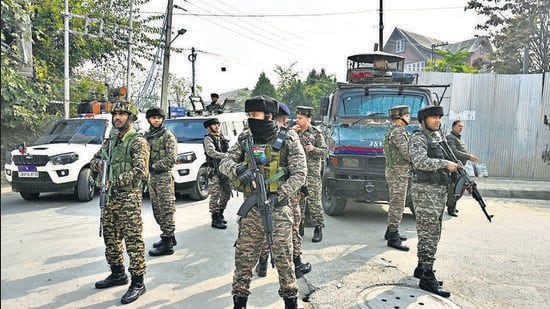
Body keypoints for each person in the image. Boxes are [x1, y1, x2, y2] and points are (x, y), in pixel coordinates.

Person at [219, 95, 306, 309]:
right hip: (252, 209)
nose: (251, 119)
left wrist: (281, 194)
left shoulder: (288, 138)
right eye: (249, 115)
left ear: (269, 116)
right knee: (243, 259)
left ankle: (290, 301)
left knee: (285, 260)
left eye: (255, 115)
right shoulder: (245, 138)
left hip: (278, 209)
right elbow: (224, 162)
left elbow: (299, 173)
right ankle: (239, 302)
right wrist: (238, 169)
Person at [90, 100, 149, 304]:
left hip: (128, 198)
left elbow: (141, 171)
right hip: (110, 197)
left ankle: (138, 282)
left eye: (122, 114)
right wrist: (98, 165)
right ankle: (117, 274)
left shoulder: (137, 141)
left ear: (131, 118)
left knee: (133, 240)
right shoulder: (111, 141)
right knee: (111, 237)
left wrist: (113, 181)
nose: (117, 117)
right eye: (115, 114)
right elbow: (93, 160)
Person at [254, 102, 312, 279]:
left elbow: (259, 163)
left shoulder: (258, 136)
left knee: (266, 226)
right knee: (292, 227)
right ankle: (297, 263)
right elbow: (299, 171)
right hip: (288, 193)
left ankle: (262, 264)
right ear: (285, 118)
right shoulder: (289, 135)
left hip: (264, 192)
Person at [409, 105, 461, 298]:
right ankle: (427, 277)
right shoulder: (418, 138)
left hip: (438, 192)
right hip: (425, 192)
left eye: (439, 117)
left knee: (433, 231)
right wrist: (445, 165)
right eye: (433, 118)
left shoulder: (437, 138)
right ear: (423, 121)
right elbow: (420, 162)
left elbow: (448, 158)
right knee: (429, 234)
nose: (437, 121)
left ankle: (422, 268)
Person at [145, 107, 178, 256]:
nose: (156, 120)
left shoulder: (168, 136)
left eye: (159, 118)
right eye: (153, 118)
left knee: (166, 209)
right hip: (152, 178)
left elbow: (172, 158)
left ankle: (168, 244)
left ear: (162, 119)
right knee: (157, 210)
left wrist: (153, 166)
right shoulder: (147, 136)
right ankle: (169, 236)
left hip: (164, 177)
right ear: (149, 120)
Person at [292, 106, 328, 243]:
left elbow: (325, 152)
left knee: (314, 203)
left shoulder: (317, 134)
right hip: (298, 174)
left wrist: (314, 149)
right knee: (298, 203)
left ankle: (318, 228)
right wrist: (292, 134)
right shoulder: (294, 132)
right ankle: (298, 228)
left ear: (308, 119)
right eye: (297, 118)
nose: (298, 120)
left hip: (312, 174)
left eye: (300, 118)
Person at [383, 105, 411, 252]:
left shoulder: (393, 130)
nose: (409, 117)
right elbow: (407, 153)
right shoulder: (399, 132)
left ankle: (390, 231)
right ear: (399, 117)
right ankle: (393, 236)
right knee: (398, 204)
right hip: (398, 173)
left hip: (395, 171)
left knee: (396, 201)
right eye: (406, 115)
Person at [445, 120, 479, 216]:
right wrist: (469, 157)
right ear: (453, 127)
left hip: (460, 168)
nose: (461, 128)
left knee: (463, 186)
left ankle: (453, 205)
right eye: (459, 126)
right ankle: (451, 208)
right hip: (453, 167)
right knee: (453, 188)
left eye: (462, 126)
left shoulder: (459, 139)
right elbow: (454, 152)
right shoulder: (450, 138)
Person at [203, 117, 232, 229]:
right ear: (209, 127)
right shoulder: (208, 139)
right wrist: (225, 155)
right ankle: (214, 218)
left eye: (217, 124)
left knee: (227, 192)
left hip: (224, 169)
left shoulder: (221, 137)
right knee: (215, 194)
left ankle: (220, 213)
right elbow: (211, 152)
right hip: (213, 170)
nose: (217, 126)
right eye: (214, 125)